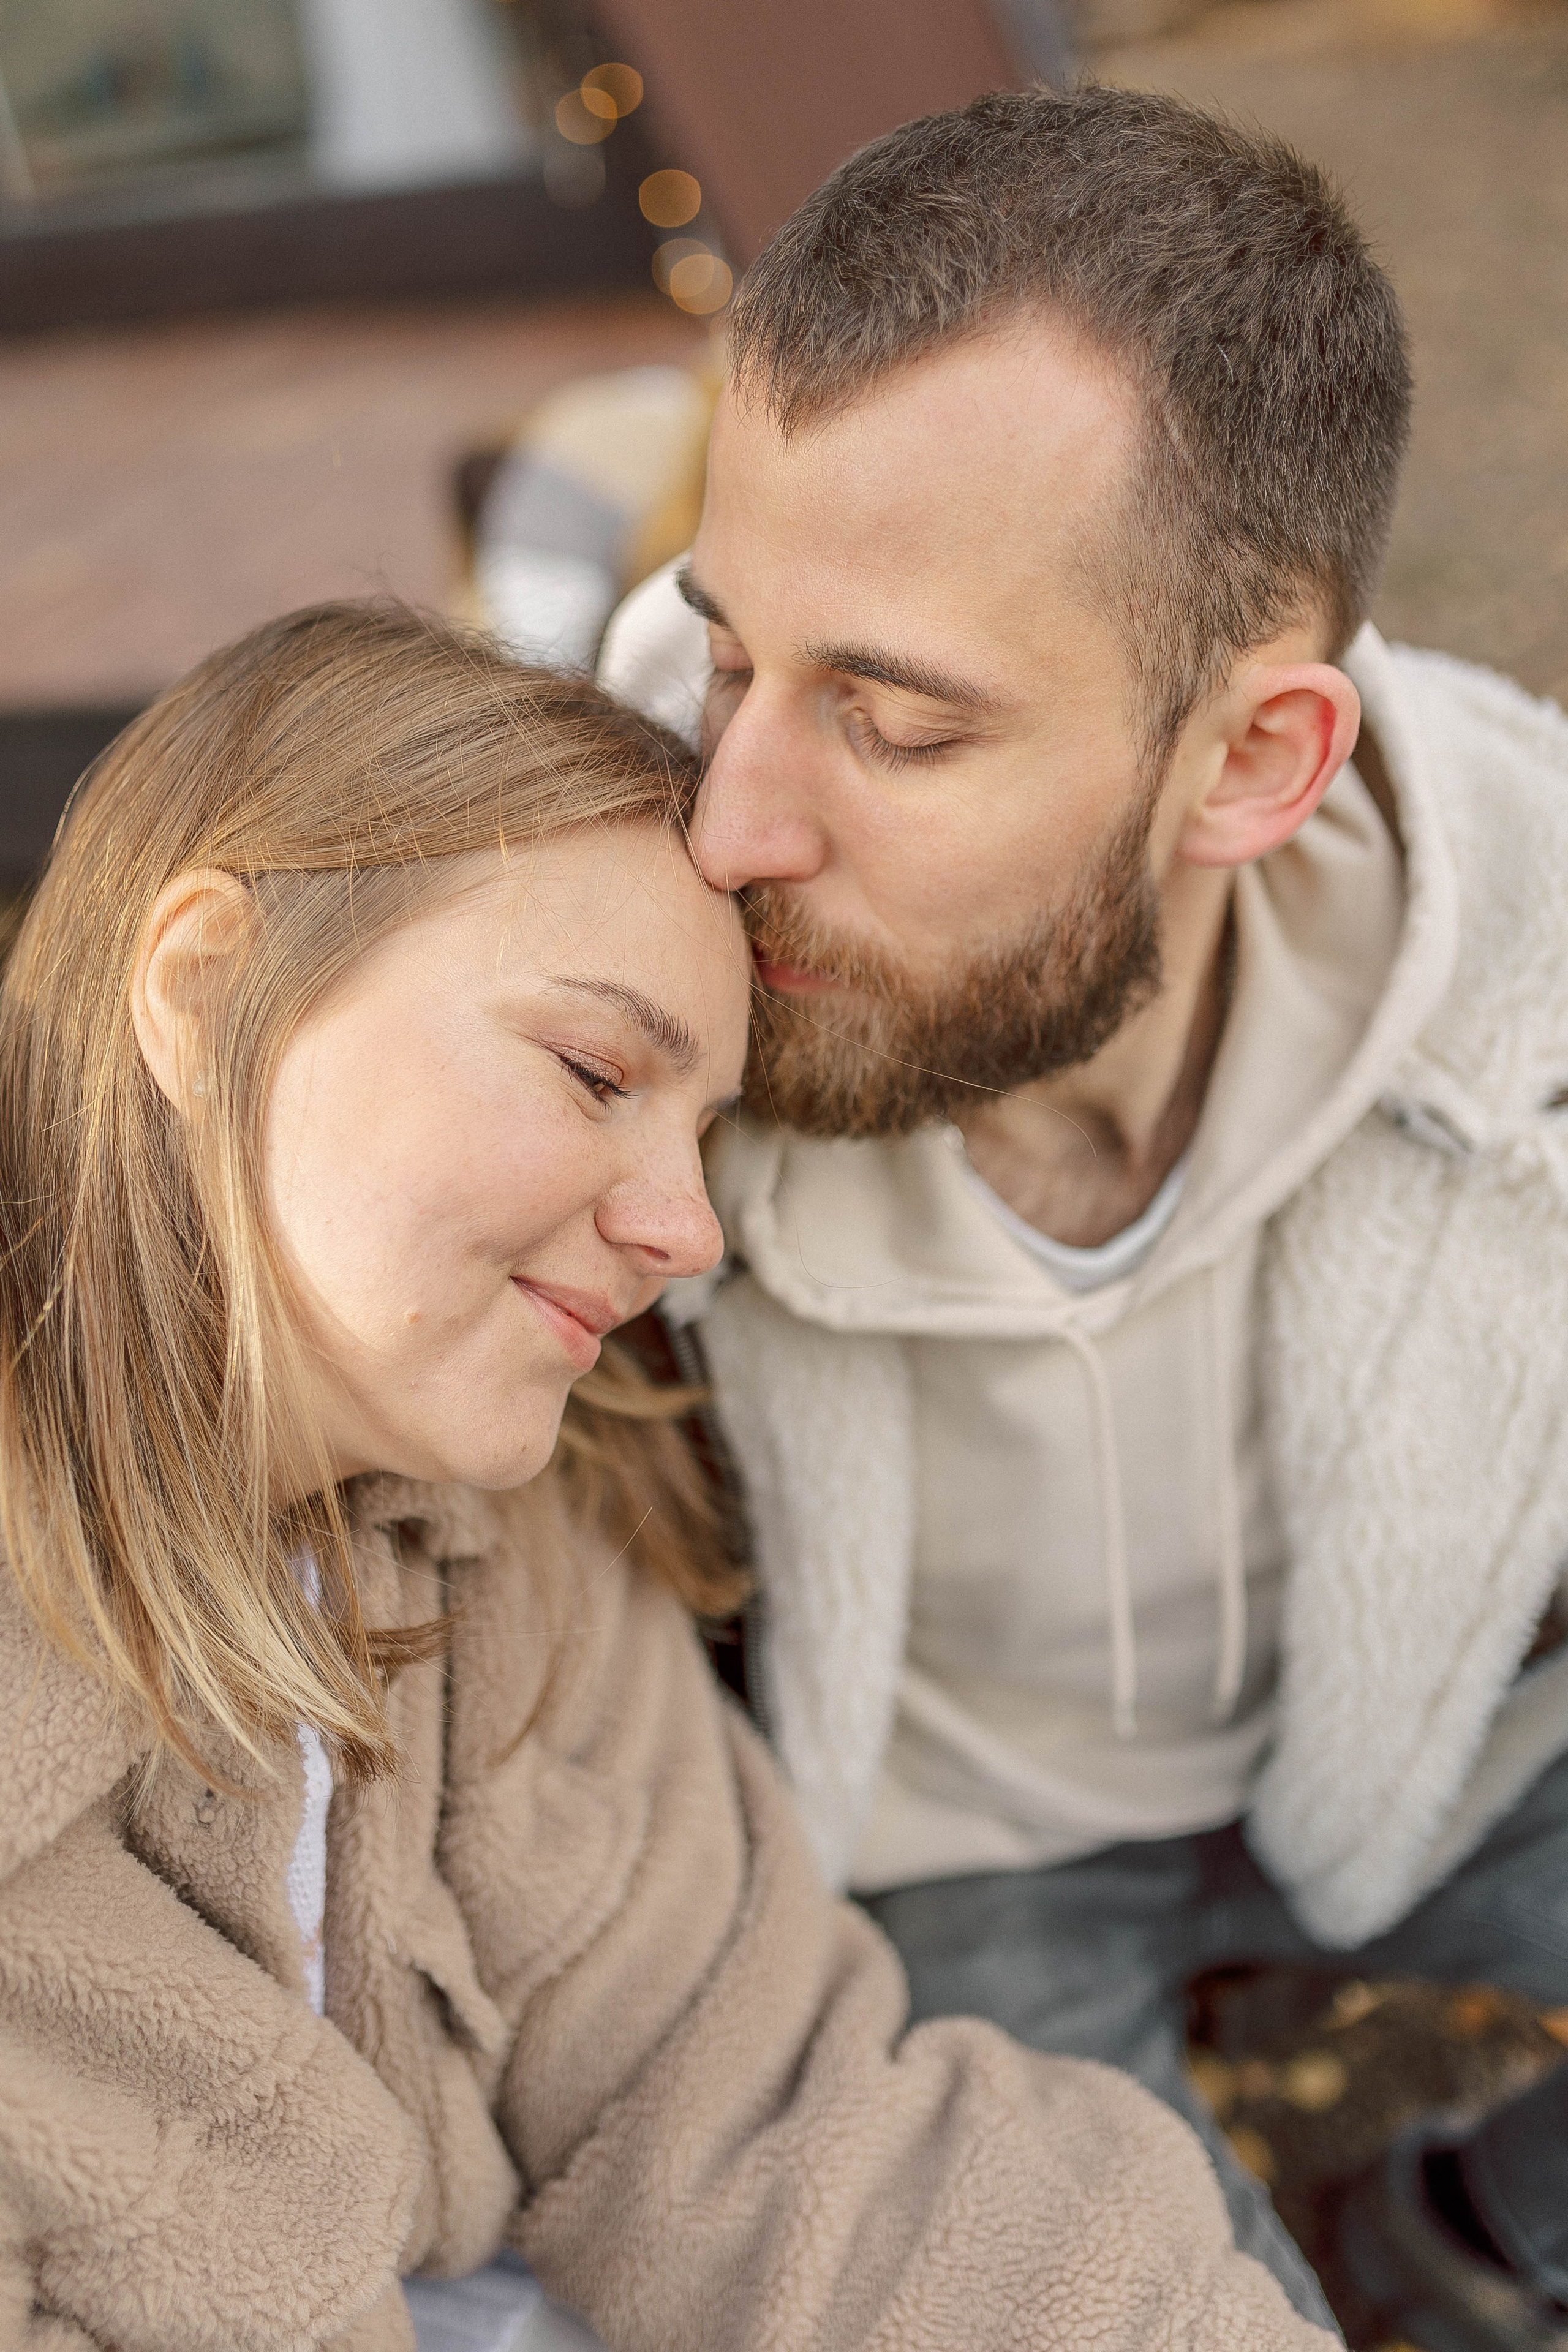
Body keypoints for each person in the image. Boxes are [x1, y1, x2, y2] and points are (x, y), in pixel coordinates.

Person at [0, 600, 1330, 2352]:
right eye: (593, 1072)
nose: (687, 1230)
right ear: (202, 986)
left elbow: (770, 2116)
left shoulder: (506, 1553)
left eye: (702, 1134)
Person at [597, 83, 1568, 2348]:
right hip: (953, 1872)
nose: (730, 827)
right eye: (731, 658)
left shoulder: (1534, 978)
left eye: (896, 725)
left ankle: (1465, 2238)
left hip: (1442, 1768)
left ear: (1253, 764)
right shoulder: (578, 978)